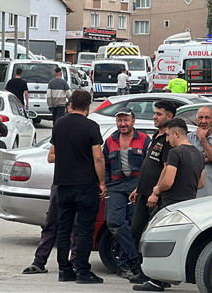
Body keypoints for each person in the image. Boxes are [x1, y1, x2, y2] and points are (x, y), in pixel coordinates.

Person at [133, 117, 204, 293]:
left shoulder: (176, 153)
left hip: (169, 204)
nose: (167, 140)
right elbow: (201, 183)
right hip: (188, 204)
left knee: (156, 239)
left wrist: (157, 190)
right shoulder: (198, 153)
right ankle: (163, 279)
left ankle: (155, 281)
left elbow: (169, 181)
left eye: (169, 136)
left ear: (177, 133)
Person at [50, 90, 105, 284]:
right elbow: (98, 157)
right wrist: (102, 182)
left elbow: (54, 153)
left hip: (63, 184)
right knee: (84, 229)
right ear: (88, 107)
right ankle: (82, 270)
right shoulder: (91, 127)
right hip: (85, 184)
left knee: (64, 229)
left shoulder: (59, 124)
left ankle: (64, 270)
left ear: (71, 104)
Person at [22, 104, 78, 275]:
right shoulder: (60, 127)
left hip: (80, 183)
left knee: (77, 226)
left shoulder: (88, 128)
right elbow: (50, 156)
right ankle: (39, 261)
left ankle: (74, 263)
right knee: (51, 223)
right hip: (60, 183)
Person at [128, 100, 177, 285]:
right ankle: (144, 271)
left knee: (147, 234)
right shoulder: (157, 135)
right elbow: (149, 166)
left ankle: (152, 275)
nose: (154, 117)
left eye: (159, 114)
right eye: (154, 113)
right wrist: (138, 189)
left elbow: (165, 169)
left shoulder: (169, 140)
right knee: (137, 232)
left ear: (170, 117)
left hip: (154, 196)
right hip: (144, 193)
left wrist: (155, 193)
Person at [103, 107, 149, 278]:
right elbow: (104, 164)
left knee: (131, 225)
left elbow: (148, 166)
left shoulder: (144, 139)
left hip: (137, 184)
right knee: (114, 222)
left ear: (133, 121)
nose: (122, 124)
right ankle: (135, 259)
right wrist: (107, 182)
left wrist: (141, 187)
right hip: (116, 185)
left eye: (126, 120)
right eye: (119, 120)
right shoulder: (110, 141)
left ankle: (124, 266)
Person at [187, 106, 212, 197]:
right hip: (192, 194)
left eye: (207, 118)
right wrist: (208, 158)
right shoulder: (189, 137)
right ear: (197, 119)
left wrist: (203, 139)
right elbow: (187, 161)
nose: (203, 121)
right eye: (201, 117)